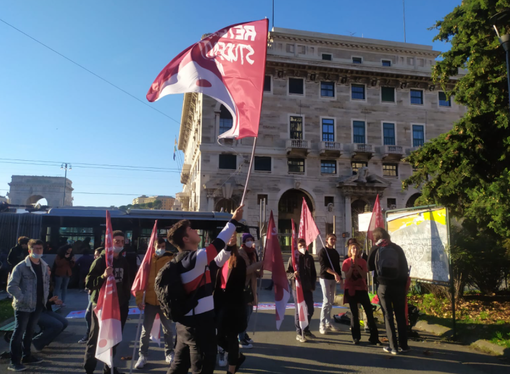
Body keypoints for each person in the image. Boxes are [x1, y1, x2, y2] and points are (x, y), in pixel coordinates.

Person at [166, 205, 243, 374]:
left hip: (184, 325)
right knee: (202, 368)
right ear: (185, 239)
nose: (196, 231)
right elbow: (217, 244)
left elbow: (217, 262)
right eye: (191, 230)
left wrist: (229, 247)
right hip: (200, 325)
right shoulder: (195, 258)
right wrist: (233, 221)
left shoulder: (185, 260)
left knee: (178, 367)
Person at [84, 231, 131, 374]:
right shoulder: (101, 260)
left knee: (114, 337)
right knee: (95, 337)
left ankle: (108, 367)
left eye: (122, 241)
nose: (120, 244)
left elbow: (126, 283)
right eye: (116, 241)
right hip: (102, 306)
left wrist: (126, 302)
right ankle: (89, 368)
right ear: (110, 242)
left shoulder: (123, 261)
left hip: (118, 306)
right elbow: (89, 283)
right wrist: (104, 276)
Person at [7, 239, 49, 372]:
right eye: (35, 249)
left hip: (38, 305)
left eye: (40, 249)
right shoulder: (20, 267)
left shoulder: (43, 265)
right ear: (29, 250)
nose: (38, 251)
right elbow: (11, 286)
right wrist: (22, 298)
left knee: (30, 332)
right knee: (19, 332)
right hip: (24, 306)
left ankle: (27, 356)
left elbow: (45, 284)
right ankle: (14, 361)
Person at [367, 227, 410, 355]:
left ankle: (393, 346)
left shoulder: (375, 248)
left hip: (384, 286)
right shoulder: (397, 248)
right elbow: (404, 268)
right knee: (400, 315)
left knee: (388, 315)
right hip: (399, 286)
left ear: (375, 238)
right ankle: (404, 345)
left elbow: (369, 267)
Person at [134, 238, 175, 369]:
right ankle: (143, 355)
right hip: (150, 301)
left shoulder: (170, 259)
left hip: (165, 302)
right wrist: (139, 299)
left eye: (163, 246)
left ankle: (169, 353)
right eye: (159, 246)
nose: (161, 249)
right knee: (145, 330)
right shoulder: (147, 260)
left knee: (168, 329)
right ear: (153, 246)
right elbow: (141, 281)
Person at [215, 233, 247, 374]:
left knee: (232, 337)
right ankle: (237, 356)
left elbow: (239, 284)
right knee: (219, 337)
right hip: (219, 301)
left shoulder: (239, 260)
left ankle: (231, 369)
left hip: (233, 305)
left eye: (232, 237)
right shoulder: (219, 259)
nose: (230, 239)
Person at [342, 242, 380, 345]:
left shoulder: (363, 262)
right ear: (350, 250)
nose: (355, 250)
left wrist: (358, 267)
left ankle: (374, 337)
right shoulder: (346, 262)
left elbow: (364, 275)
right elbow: (348, 277)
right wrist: (351, 267)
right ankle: (356, 337)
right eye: (353, 248)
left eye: (357, 248)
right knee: (354, 314)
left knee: (369, 312)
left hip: (362, 289)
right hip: (351, 290)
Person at [286, 238, 317, 342]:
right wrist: (292, 275)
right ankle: (299, 332)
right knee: (299, 310)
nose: (303, 247)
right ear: (297, 247)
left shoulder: (310, 258)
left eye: (304, 245)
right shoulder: (293, 258)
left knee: (310, 310)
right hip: (297, 288)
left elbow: (313, 273)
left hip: (308, 287)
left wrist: (313, 285)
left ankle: (306, 328)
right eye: (300, 246)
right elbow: (287, 273)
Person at [237, 233, 263, 349]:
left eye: (251, 239)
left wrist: (258, 272)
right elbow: (243, 271)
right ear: (243, 242)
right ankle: (240, 338)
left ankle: (243, 334)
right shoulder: (240, 253)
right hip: (242, 288)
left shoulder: (252, 252)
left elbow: (252, 270)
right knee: (244, 314)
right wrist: (258, 265)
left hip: (250, 287)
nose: (250, 241)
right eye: (247, 240)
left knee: (249, 312)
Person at [318, 233, 343, 335]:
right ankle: (322, 324)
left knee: (331, 301)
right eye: (331, 239)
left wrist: (340, 278)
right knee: (326, 301)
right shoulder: (323, 252)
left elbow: (337, 266)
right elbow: (324, 266)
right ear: (326, 240)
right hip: (325, 278)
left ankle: (328, 322)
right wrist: (335, 274)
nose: (333, 241)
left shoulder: (335, 252)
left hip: (333, 279)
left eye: (334, 239)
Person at [32, 284, 69, 351]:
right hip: (36, 312)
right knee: (57, 325)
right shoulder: (36, 282)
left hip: (45, 310)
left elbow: (47, 302)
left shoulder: (48, 282)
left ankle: (44, 342)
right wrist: (49, 301)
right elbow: (36, 302)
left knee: (64, 322)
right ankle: (35, 343)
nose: (49, 273)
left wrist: (54, 302)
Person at [78, 248, 101, 344]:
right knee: (90, 316)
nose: (94, 257)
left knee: (89, 316)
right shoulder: (94, 264)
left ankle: (89, 335)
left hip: (97, 295)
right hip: (91, 293)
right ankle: (91, 335)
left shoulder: (102, 266)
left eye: (97, 255)